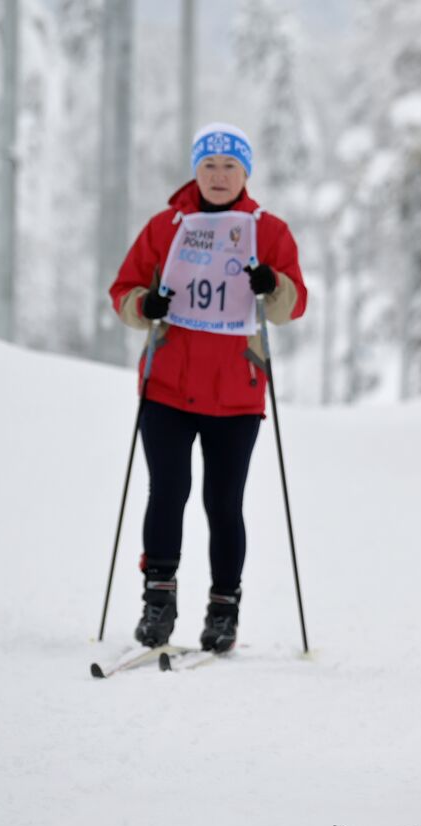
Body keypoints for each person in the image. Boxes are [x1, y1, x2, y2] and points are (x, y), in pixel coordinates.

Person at [109, 122, 307, 654]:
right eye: (209, 166)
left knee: (224, 503)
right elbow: (124, 289)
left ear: (246, 173)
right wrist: (143, 305)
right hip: (167, 385)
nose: (219, 177)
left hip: (237, 391)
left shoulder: (269, 230)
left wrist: (273, 285)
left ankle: (224, 608)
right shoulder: (167, 225)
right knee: (167, 493)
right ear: (195, 170)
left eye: (230, 167)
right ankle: (159, 599)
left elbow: (292, 305)